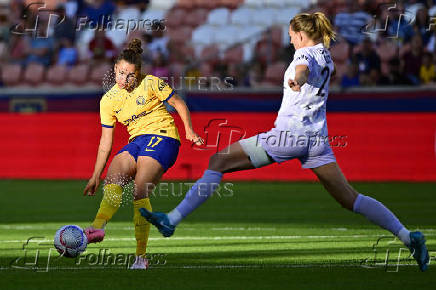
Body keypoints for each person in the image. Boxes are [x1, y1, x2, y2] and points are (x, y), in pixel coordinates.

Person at [140, 12, 430, 272]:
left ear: (301, 34)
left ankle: (172, 220)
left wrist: (297, 81)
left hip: (289, 135)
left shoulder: (304, 56)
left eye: (292, 35)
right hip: (317, 139)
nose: (290, 40)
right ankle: (408, 236)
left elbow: (302, 70)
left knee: (218, 160)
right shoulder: (326, 55)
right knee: (349, 197)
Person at [82, 38, 204, 270]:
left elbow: (178, 102)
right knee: (114, 176)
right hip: (137, 141)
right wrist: (95, 174)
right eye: (120, 73)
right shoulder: (107, 101)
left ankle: (140, 257)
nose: (124, 79)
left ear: (138, 74)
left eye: (129, 75)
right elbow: (105, 142)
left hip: (164, 136)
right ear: (114, 69)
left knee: (140, 188)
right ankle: (98, 227)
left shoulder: (151, 83)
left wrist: (189, 130)